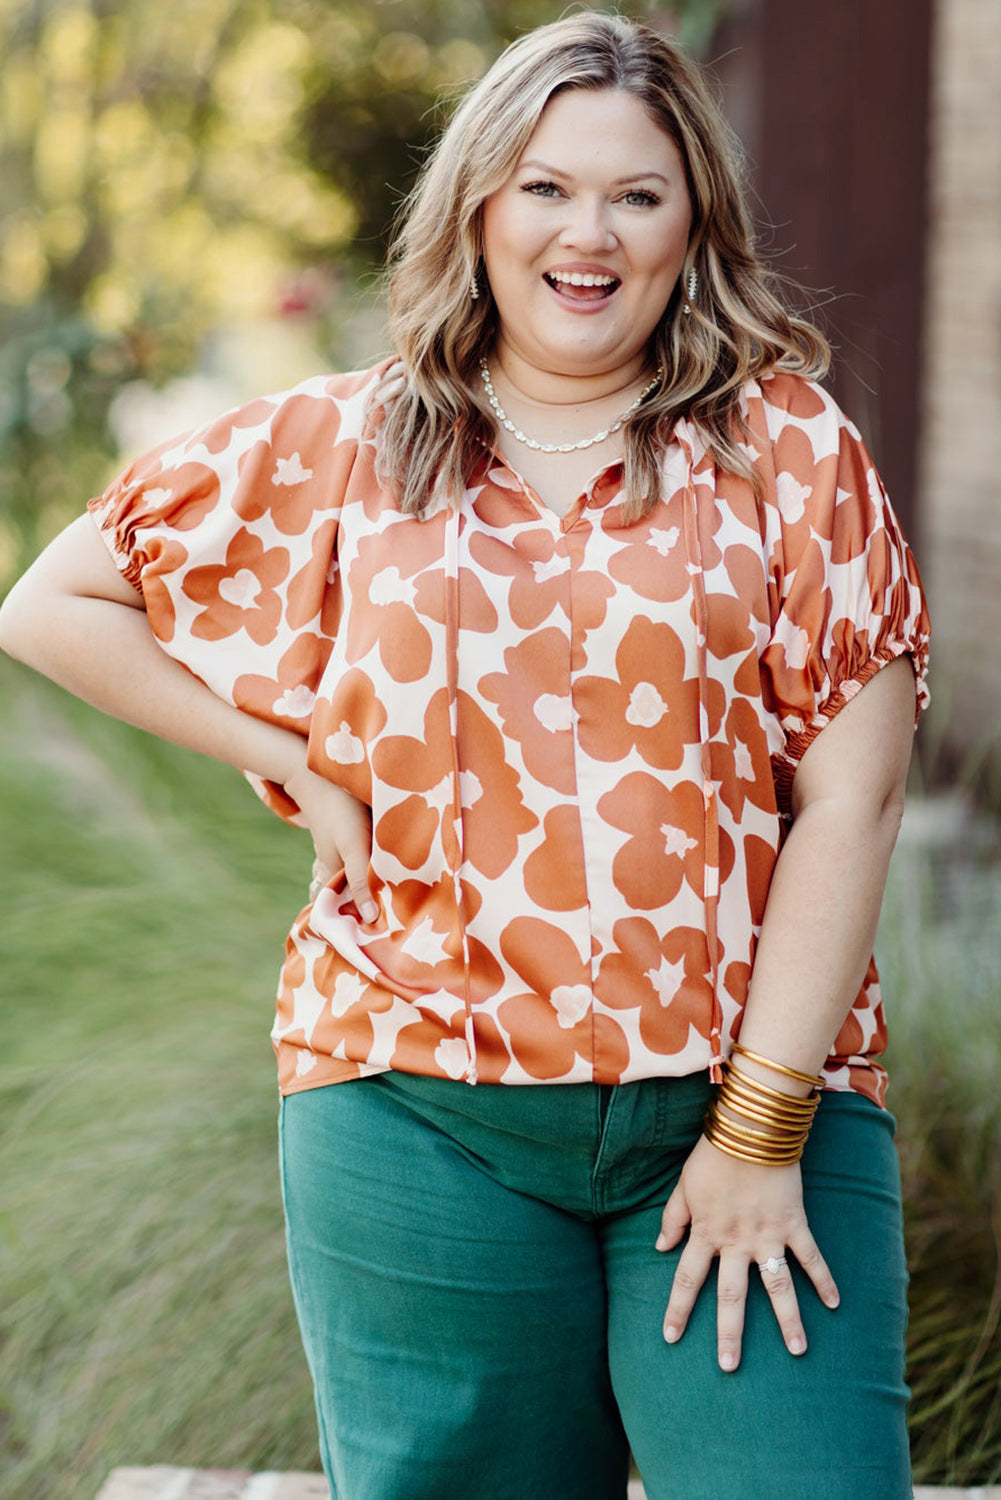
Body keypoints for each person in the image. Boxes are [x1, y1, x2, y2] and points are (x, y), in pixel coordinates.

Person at [0, 13, 930, 1500]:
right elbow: (51, 604)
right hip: (416, 1104)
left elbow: (854, 793)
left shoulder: (782, 448)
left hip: (752, 1096)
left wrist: (758, 1129)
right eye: (546, 187)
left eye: (637, 194)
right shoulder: (341, 443)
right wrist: (287, 757)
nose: (589, 233)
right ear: (478, 204)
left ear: (692, 223)